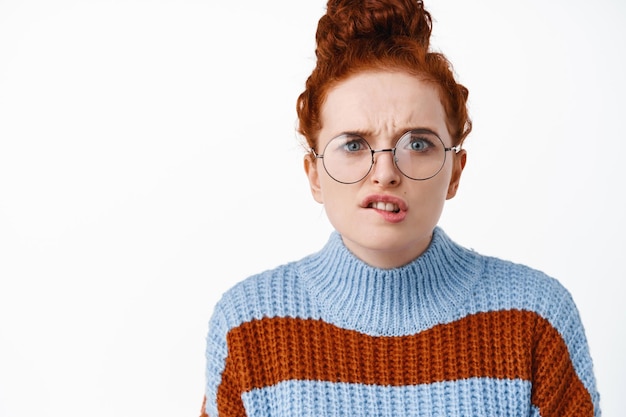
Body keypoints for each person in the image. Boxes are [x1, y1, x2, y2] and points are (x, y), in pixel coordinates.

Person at [199, 0, 600, 415]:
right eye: (354, 145)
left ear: (456, 172)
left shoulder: (535, 317)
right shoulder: (247, 325)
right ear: (315, 174)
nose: (385, 172)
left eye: (418, 143)